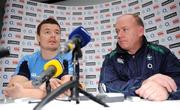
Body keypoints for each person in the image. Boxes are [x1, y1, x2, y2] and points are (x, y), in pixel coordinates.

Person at [99, 13, 180, 101]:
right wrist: (143, 84)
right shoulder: (110, 58)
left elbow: (177, 79)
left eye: (125, 29)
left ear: (140, 31)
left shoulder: (161, 53)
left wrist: (166, 92)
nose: (119, 35)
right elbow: (105, 86)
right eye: (117, 31)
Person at [3, 18, 73, 99]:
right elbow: (12, 88)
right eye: (47, 32)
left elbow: (66, 91)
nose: (53, 35)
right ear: (38, 37)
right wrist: (41, 83)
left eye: (57, 32)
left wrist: (23, 92)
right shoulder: (28, 60)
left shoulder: (67, 58)